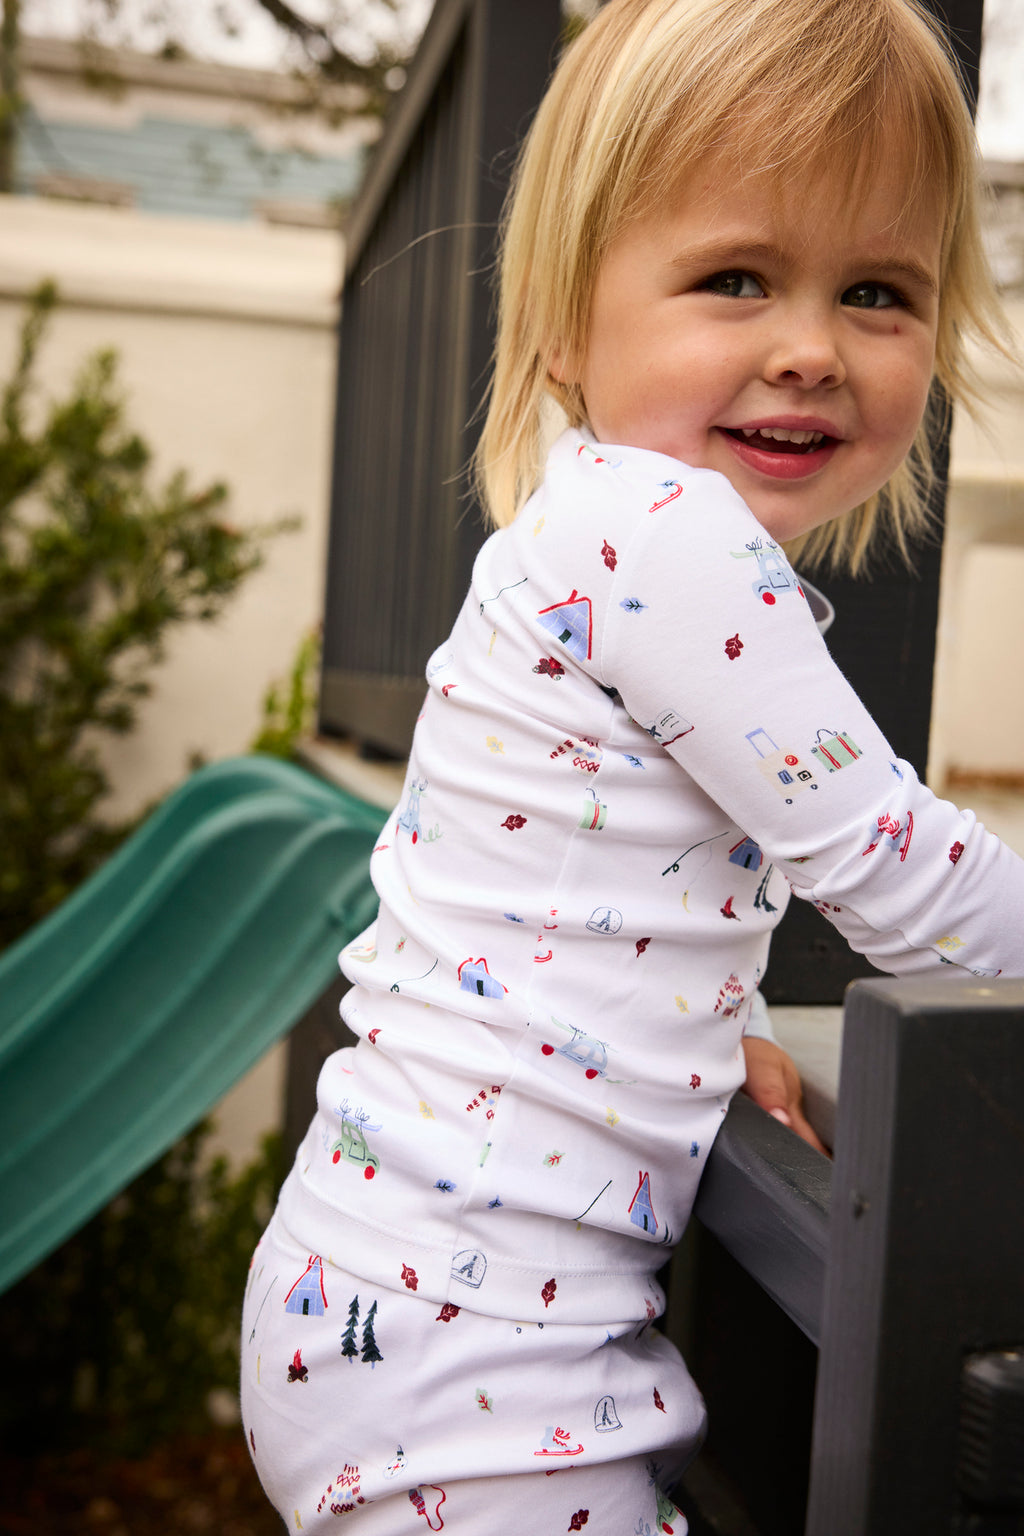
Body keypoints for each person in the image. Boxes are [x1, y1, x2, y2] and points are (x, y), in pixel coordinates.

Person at [241, 1, 1024, 1530]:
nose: (810, 346)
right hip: (475, 1370)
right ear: (562, 324)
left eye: (877, 290)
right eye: (737, 277)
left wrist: (703, 1026)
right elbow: (904, 877)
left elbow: (560, 879)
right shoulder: (661, 538)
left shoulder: (593, 538)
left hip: (407, 1313)